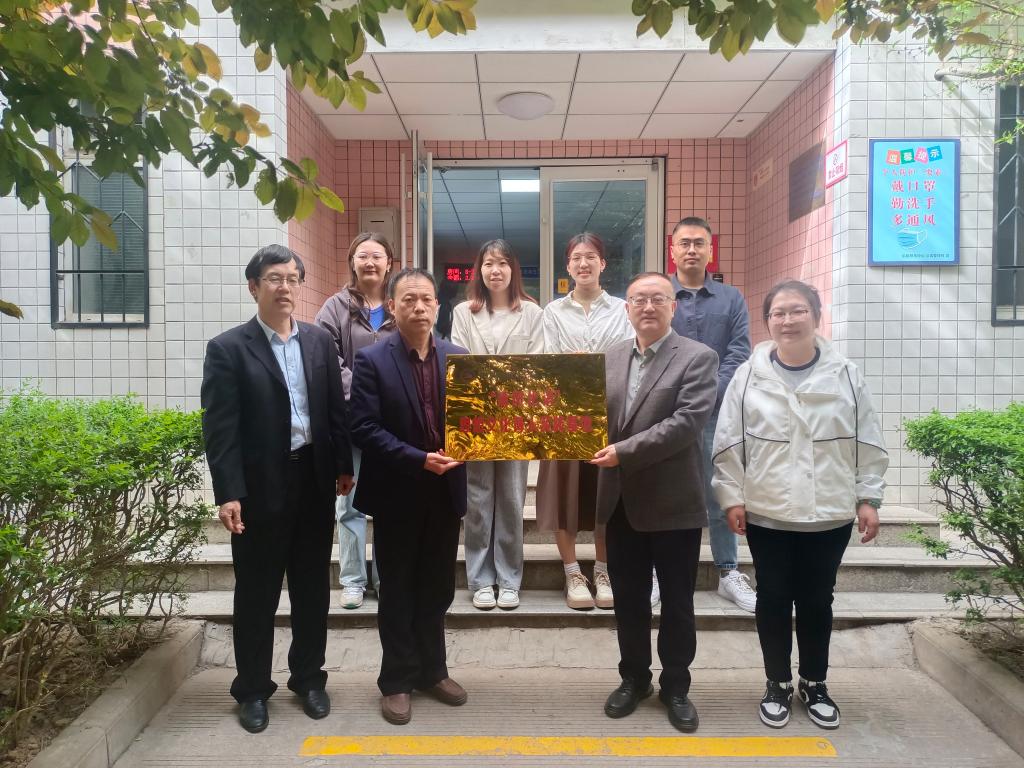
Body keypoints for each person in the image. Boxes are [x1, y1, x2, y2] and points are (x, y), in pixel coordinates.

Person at [712, 279, 887, 731]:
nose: (787, 320)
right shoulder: (748, 375)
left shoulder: (846, 373)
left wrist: (868, 497)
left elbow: (867, 438)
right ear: (767, 322)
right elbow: (729, 440)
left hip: (829, 512)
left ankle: (814, 683)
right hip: (767, 510)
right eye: (778, 313)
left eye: (797, 311)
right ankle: (776, 684)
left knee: (817, 599)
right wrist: (731, 496)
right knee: (771, 597)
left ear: (816, 316)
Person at [201, 244, 354, 734]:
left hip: (313, 480)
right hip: (259, 487)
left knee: (312, 589)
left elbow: (333, 410)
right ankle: (251, 689)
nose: (284, 287)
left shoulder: (318, 342)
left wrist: (343, 465)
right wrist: (228, 492)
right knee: (257, 592)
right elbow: (220, 429)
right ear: (254, 287)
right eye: (274, 278)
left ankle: (309, 679)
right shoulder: (228, 348)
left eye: (292, 278)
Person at [592, 271, 718, 733]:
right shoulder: (609, 357)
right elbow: (590, 416)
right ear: (626, 308)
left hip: (672, 503)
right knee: (628, 601)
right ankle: (634, 679)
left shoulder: (698, 357)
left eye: (657, 299)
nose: (647, 307)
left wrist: (622, 452)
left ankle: (676, 686)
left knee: (678, 603)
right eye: (638, 299)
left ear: (673, 306)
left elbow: (686, 423)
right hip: (620, 502)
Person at [349, 267, 469, 726]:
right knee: (397, 588)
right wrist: (418, 458)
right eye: (408, 300)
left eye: (426, 299)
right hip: (397, 492)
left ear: (437, 305)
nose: (418, 307)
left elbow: (475, 422)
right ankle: (397, 679)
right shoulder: (372, 360)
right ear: (392, 307)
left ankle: (432, 671)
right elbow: (363, 427)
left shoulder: (459, 358)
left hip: (445, 491)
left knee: (437, 588)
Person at [537, 232, 633, 611]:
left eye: (591, 256)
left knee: (605, 494)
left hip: (610, 413)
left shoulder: (622, 309)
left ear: (602, 263)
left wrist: (592, 365)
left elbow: (628, 358)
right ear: (568, 266)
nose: (583, 263)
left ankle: (604, 570)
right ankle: (573, 571)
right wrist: (571, 366)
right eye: (576, 257)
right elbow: (547, 361)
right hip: (564, 415)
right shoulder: (553, 312)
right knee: (565, 494)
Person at [664, 216, 755, 612]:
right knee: (665, 494)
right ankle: (660, 572)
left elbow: (739, 350)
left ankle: (728, 571)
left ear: (710, 250)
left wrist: (708, 393)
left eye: (699, 243)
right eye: (684, 243)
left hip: (717, 412)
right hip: (666, 412)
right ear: (672, 251)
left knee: (720, 492)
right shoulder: (660, 294)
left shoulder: (731, 299)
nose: (691, 249)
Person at [451, 239, 544, 611]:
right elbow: (459, 361)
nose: (495, 270)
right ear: (479, 269)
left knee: (510, 498)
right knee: (477, 499)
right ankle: (479, 580)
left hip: (516, 420)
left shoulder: (532, 313)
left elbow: (537, 364)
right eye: (489, 263)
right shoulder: (464, 312)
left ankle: (509, 579)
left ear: (513, 269)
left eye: (503, 263)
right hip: (475, 419)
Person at [315, 232, 397, 609]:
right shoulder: (335, 307)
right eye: (362, 255)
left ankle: (385, 576)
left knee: (389, 503)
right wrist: (362, 397)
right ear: (352, 262)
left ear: (389, 263)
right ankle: (352, 580)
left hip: (393, 423)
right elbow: (327, 357)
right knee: (349, 504)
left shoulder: (398, 304)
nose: (370, 262)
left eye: (377, 256)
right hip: (350, 421)